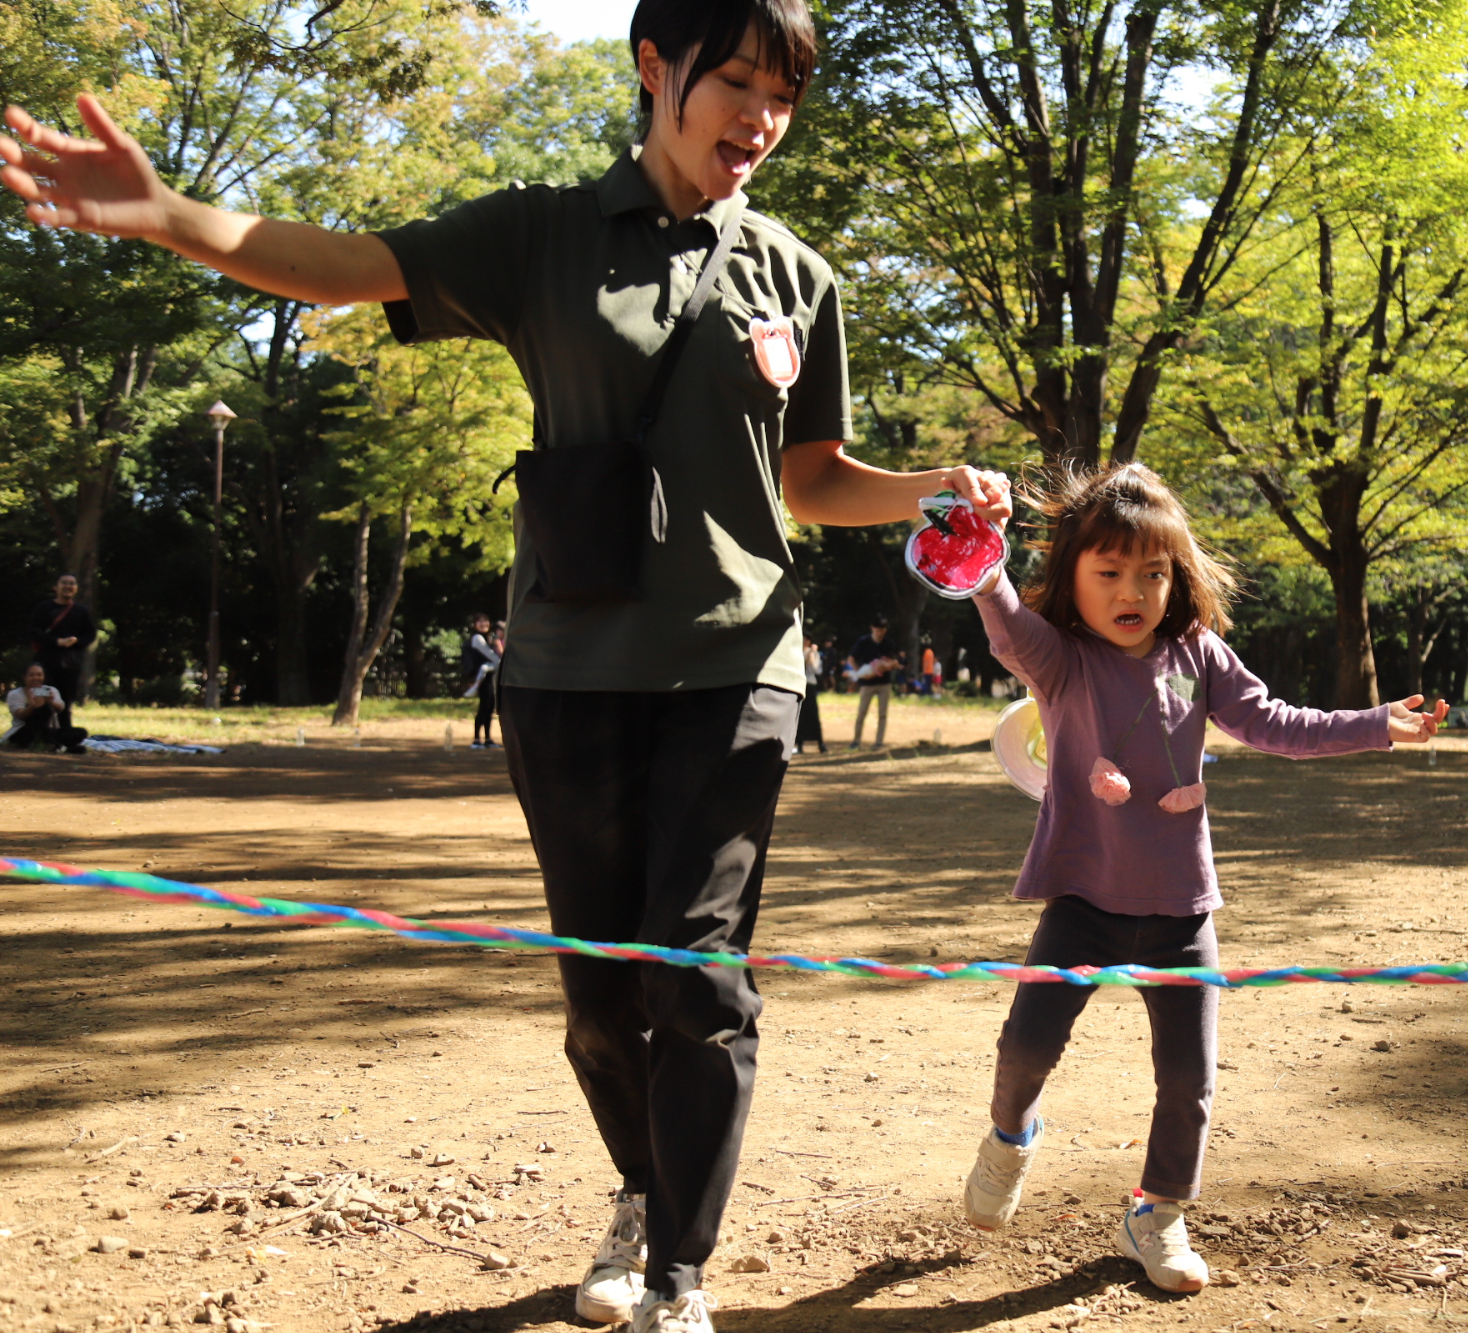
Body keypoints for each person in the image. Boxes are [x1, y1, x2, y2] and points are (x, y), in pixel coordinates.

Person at [0, 5, 1013, 1329]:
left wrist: (932, 484)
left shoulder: (798, 277)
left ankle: (679, 1275)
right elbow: (342, 266)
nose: (760, 118)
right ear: (659, 70)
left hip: (739, 667)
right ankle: (641, 1191)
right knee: (601, 997)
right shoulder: (542, 232)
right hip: (566, 674)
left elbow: (811, 479)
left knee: (696, 975)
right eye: (738, 83)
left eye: (784, 95)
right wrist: (170, 214)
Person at [958, 464, 1445, 1293]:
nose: (1133, 590)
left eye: (1152, 572)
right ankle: (1012, 1136)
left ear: (1176, 576)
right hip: (1082, 902)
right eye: (1109, 572)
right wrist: (982, 556)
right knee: (1026, 1046)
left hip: (1182, 911)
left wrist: (1376, 725)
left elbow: (1276, 723)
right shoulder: (1063, 660)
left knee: (1188, 1078)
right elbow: (1006, 628)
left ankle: (1160, 1210)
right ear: (1074, 575)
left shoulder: (1197, 653)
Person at [29, 572, 96, 732]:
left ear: (76, 589)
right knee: (41, 698)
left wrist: (76, 641)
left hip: (70, 664)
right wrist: (56, 641)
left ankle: (64, 735)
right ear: (56, 587)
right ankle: (39, 733)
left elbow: (90, 634)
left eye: (72, 583)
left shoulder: (81, 611)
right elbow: (33, 632)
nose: (68, 586)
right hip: (45, 664)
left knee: (66, 701)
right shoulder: (44, 608)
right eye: (64, 582)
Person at [5, 663, 89, 753]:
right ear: (24, 677)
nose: (36, 678)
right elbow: (19, 715)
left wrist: (51, 702)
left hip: (49, 730)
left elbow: (61, 708)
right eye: (32, 675)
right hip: (25, 730)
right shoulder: (15, 694)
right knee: (39, 726)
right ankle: (62, 748)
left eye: (39, 675)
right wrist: (31, 706)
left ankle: (54, 745)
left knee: (80, 732)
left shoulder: (50, 690)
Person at [845, 614, 899, 747]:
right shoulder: (863, 642)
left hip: (884, 683)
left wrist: (887, 666)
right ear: (872, 628)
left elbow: (896, 661)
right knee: (862, 712)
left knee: (882, 714)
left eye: (882, 630)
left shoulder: (889, 643)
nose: (879, 632)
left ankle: (879, 741)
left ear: (885, 630)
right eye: (877, 629)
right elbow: (851, 659)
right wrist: (859, 673)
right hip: (867, 684)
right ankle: (856, 740)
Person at [461, 613, 503, 749]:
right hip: (483, 679)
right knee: (484, 708)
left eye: (486, 621)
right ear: (474, 625)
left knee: (489, 707)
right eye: (479, 622)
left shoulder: (488, 638)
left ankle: (488, 739)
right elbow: (494, 658)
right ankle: (477, 739)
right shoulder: (478, 639)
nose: (483, 624)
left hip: (489, 678)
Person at [795, 637, 825, 754]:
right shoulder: (795, 651)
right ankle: (799, 744)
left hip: (810, 685)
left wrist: (811, 654)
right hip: (798, 684)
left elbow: (815, 670)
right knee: (800, 715)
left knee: (813, 714)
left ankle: (820, 743)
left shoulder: (814, 653)